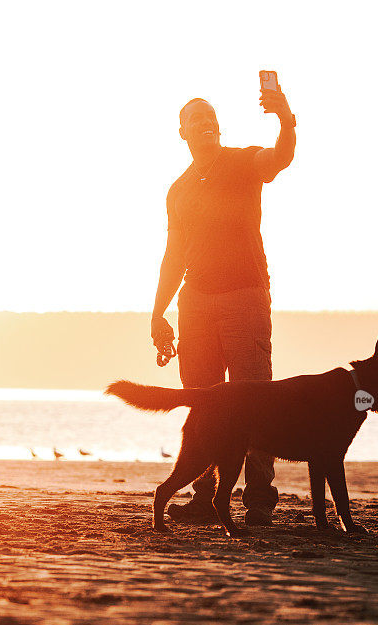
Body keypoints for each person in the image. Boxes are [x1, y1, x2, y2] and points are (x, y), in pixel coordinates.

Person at [151, 79, 296, 525]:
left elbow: (280, 157)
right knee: (204, 402)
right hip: (194, 302)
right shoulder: (178, 190)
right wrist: (158, 311)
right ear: (183, 133)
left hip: (245, 297)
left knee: (256, 399)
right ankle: (206, 497)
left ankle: (258, 501)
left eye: (210, 116)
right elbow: (174, 254)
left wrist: (285, 118)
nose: (205, 122)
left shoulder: (242, 163)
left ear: (218, 126)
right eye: (195, 118)